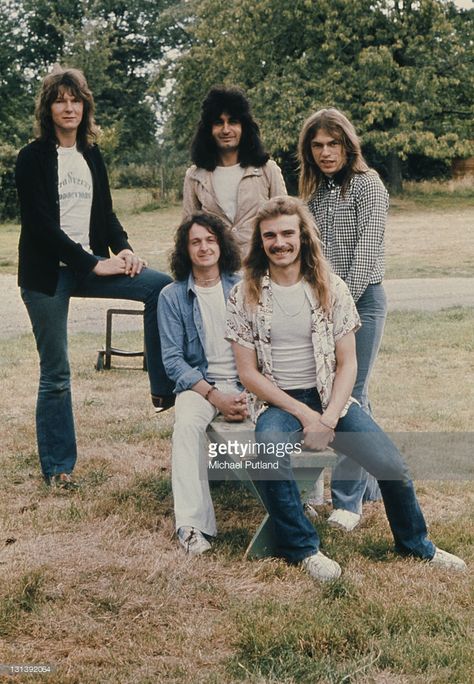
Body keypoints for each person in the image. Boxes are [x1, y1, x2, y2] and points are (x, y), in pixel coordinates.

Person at [225, 195, 466, 581]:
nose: (279, 242)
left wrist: (330, 416)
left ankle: (417, 544)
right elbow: (249, 374)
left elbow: (347, 362)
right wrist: (306, 416)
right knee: (269, 456)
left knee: (392, 465)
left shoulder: (329, 286)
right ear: (260, 241)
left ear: (302, 236)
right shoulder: (244, 294)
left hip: (331, 397)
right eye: (270, 235)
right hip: (279, 403)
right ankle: (304, 549)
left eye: (288, 233)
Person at [15, 66, 174, 488]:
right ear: (48, 108)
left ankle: (162, 387)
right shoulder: (31, 158)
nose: (68, 107)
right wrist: (91, 262)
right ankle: (59, 469)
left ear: (85, 107)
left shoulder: (92, 155)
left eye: (75, 100)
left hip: (91, 265)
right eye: (59, 100)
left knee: (159, 286)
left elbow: (105, 214)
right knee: (56, 373)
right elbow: (40, 225)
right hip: (48, 275)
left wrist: (122, 247)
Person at [298, 107, 389, 530]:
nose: (325, 152)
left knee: (353, 393)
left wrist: (336, 308)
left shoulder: (368, 186)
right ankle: (366, 486)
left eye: (333, 144)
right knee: (323, 391)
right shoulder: (313, 192)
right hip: (322, 305)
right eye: (317, 145)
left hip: (361, 301)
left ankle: (348, 502)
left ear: (348, 145)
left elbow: (367, 256)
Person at [157, 213, 246, 554]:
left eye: (210, 239)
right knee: (187, 427)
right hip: (200, 386)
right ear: (185, 249)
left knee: (279, 418)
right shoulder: (172, 296)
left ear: (221, 245)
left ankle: (301, 497)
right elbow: (173, 361)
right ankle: (192, 526)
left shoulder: (243, 287)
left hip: (245, 381)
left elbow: (263, 347)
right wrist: (214, 395)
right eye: (196, 241)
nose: (204, 247)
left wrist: (245, 391)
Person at [182, 85, 287, 257]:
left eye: (233, 122)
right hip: (217, 270)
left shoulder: (267, 170)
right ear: (208, 129)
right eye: (218, 123)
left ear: (244, 127)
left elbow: (284, 221)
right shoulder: (195, 177)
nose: (226, 130)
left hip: (261, 267)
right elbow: (188, 230)